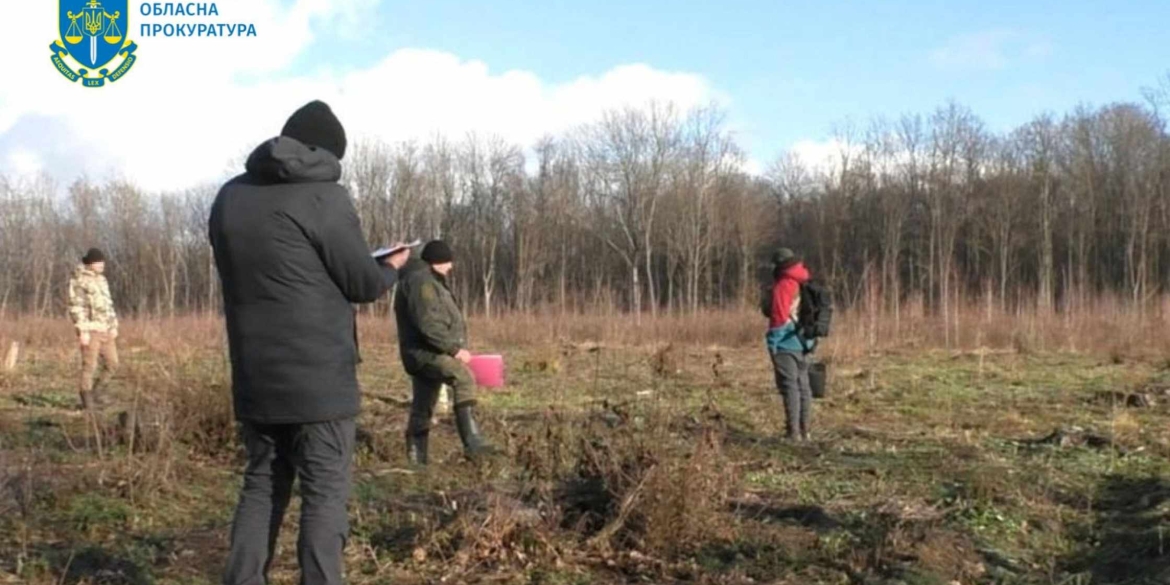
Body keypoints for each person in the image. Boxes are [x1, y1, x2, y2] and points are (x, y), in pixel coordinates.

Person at [209, 99, 411, 585]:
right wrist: (391, 266)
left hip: (255, 374)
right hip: (319, 378)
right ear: (329, 152)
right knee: (324, 492)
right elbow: (361, 283)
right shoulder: (324, 196)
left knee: (261, 485)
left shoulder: (229, 197)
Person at [395, 240, 499, 465]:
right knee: (463, 378)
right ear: (437, 261)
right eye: (448, 261)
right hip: (426, 353)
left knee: (423, 407)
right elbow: (428, 323)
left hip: (423, 353)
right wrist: (453, 349)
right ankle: (473, 443)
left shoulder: (427, 280)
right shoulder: (422, 283)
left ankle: (416, 461)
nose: (451, 266)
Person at [763, 248, 816, 441]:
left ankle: (793, 432)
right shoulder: (802, 279)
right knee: (803, 385)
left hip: (786, 342)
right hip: (804, 341)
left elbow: (778, 317)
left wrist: (772, 342)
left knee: (789, 386)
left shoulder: (785, 284)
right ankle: (805, 431)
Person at [67, 247, 119, 410]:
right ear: (90, 263)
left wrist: (113, 325)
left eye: (102, 261)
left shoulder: (102, 280)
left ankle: (97, 393)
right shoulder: (79, 280)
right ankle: (87, 401)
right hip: (90, 330)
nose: (101, 264)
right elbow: (76, 306)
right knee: (90, 366)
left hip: (106, 329)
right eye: (98, 262)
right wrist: (83, 331)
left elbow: (108, 305)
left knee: (113, 364)